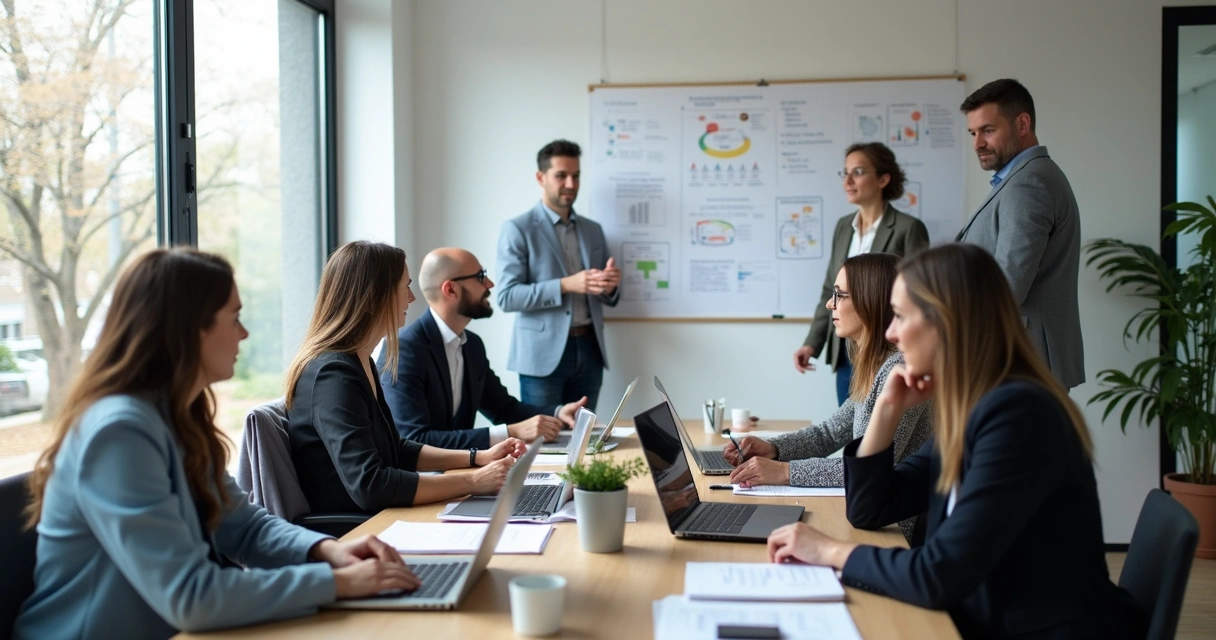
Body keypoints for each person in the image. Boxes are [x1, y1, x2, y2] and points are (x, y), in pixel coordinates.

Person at [15, 249, 419, 640]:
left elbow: (244, 527)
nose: (244, 333)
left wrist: (327, 552)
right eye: (235, 317)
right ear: (190, 328)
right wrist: (337, 583)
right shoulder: (117, 433)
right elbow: (191, 597)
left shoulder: (176, 417)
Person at [766, 244, 1146, 640]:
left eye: (900, 316)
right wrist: (886, 410)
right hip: (987, 615)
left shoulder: (1019, 414)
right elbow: (870, 509)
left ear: (945, 322)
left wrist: (828, 551)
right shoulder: (972, 405)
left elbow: (939, 575)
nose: (891, 333)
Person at [286, 241, 527, 515]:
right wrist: (473, 481)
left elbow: (396, 449)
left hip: (380, 514)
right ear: (374, 296)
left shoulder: (357, 361)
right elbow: (370, 485)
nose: (411, 298)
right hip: (357, 528)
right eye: (405, 287)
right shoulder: (333, 375)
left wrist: (478, 458)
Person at [729, 253, 932, 542]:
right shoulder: (876, 366)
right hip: (869, 514)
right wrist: (772, 448)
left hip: (892, 529)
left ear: (869, 300)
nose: (829, 304)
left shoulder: (899, 370)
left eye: (840, 295)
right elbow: (829, 433)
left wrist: (784, 471)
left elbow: (870, 470)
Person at [379, 247, 588, 449]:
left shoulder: (473, 345)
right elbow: (415, 439)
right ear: (451, 289)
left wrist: (558, 412)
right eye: (481, 277)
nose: (490, 284)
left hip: (462, 471)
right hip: (422, 480)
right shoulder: (403, 349)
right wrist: (509, 433)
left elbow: (505, 409)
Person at [956, 78, 1084, 389]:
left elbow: (1008, 285)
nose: (977, 144)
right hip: (1018, 360)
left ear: (1022, 123)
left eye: (988, 130)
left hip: (1019, 362)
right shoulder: (1023, 179)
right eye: (973, 133)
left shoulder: (1029, 184)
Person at [794, 142, 930, 405]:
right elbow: (829, 289)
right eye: (844, 172)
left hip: (887, 350)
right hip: (847, 351)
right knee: (849, 436)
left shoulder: (909, 228)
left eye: (857, 172)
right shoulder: (843, 227)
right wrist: (812, 343)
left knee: (882, 437)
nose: (847, 180)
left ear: (883, 179)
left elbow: (918, 296)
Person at [496, 139, 621, 411]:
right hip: (541, 355)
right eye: (561, 176)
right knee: (544, 444)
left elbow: (604, 295)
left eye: (576, 176)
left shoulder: (593, 230)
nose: (571, 184)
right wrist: (566, 284)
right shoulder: (517, 228)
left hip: (590, 349)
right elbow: (507, 297)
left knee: (586, 442)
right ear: (541, 177)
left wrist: (609, 286)